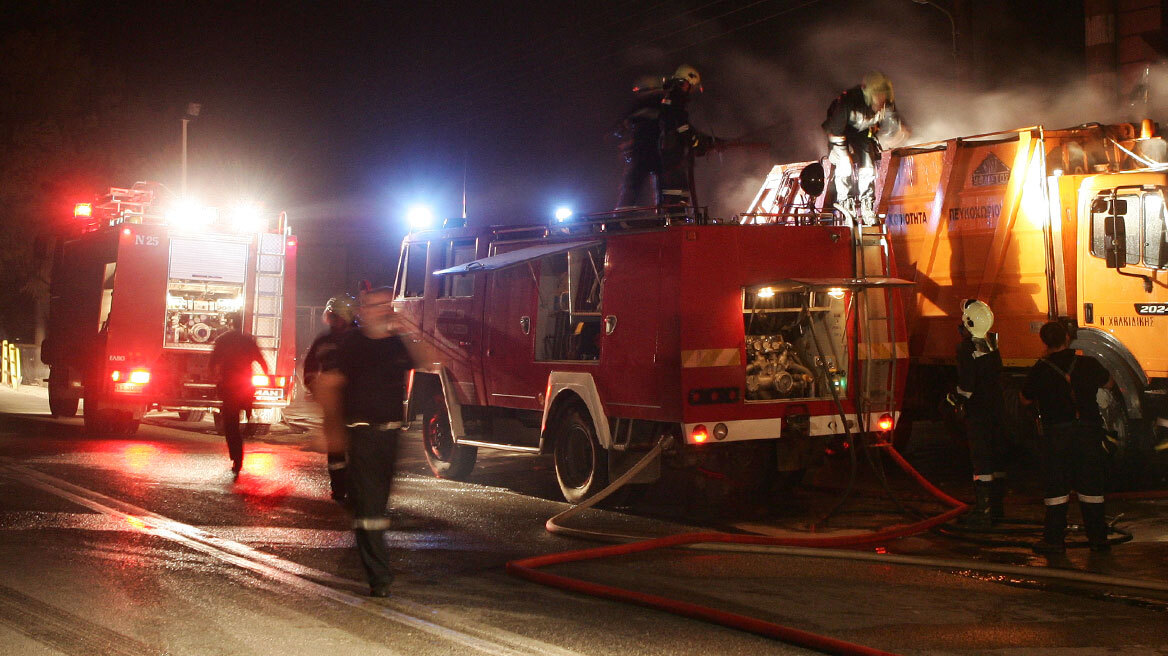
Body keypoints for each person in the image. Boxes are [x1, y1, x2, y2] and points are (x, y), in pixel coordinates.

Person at [315, 287, 416, 597]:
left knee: (377, 506)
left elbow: (427, 362)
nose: (382, 309)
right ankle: (379, 577)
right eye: (375, 305)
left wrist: (410, 331)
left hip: (390, 435)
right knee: (371, 509)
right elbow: (329, 384)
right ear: (362, 311)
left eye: (386, 304)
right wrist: (331, 428)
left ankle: (370, 555)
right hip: (361, 434)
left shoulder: (396, 344)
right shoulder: (351, 345)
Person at [1020, 321, 1115, 554]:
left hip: (1057, 434)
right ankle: (1098, 539)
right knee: (1091, 486)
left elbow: (1025, 399)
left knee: (1057, 487)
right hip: (1088, 431)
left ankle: (1053, 540)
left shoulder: (1040, 369)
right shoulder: (1087, 363)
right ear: (1067, 339)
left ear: (1045, 341)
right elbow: (1109, 383)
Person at [614, 65, 713, 210]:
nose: (691, 91)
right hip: (664, 153)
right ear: (686, 82)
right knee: (669, 185)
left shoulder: (659, 102)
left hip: (652, 152)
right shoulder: (672, 100)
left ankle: (660, 215)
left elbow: (626, 125)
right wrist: (696, 142)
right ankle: (671, 215)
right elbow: (680, 125)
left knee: (639, 186)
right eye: (691, 87)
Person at [948, 300, 1008, 527]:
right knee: (996, 457)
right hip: (997, 409)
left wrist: (952, 401)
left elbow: (967, 385)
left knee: (981, 459)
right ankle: (997, 510)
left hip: (979, 413)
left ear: (968, 323)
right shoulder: (992, 343)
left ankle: (983, 512)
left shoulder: (966, 348)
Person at [822, 71, 909, 224]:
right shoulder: (848, 102)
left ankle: (867, 206)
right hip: (840, 132)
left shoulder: (886, 103)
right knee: (845, 166)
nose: (880, 100)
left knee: (868, 167)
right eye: (877, 96)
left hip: (862, 133)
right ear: (868, 94)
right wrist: (842, 153)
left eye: (883, 96)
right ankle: (846, 205)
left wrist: (900, 132)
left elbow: (893, 123)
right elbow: (835, 130)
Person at [304, 295, 358, 503]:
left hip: (356, 404)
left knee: (355, 447)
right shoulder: (324, 340)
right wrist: (315, 388)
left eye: (336, 316)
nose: (333, 320)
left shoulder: (359, 339)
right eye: (331, 316)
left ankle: (353, 488)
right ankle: (338, 488)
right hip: (333, 404)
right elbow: (309, 366)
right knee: (336, 449)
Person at [209, 319, 268, 478]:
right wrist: (270, 378)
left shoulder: (223, 340)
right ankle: (247, 423)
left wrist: (214, 378)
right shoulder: (249, 341)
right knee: (240, 418)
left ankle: (236, 457)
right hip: (244, 387)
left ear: (231, 324)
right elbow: (261, 360)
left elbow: (213, 362)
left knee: (231, 425)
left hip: (229, 387)